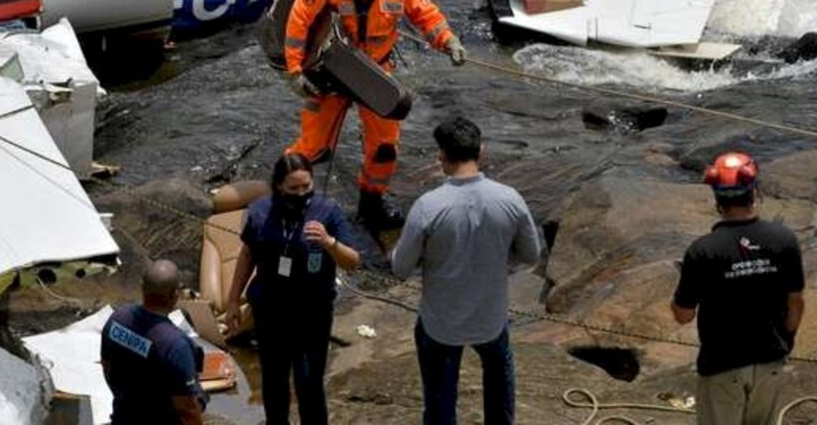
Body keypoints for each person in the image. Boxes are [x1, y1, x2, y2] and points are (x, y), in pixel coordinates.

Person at [283, 0, 467, 235]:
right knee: (311, 147)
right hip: (332, 74)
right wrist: (296, 72)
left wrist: (448, 40)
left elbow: (426, 14)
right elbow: (298, 23)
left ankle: (371, 203)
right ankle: (287, 199)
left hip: (375, 74)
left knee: (385, 147)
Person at [391, 116, 541, 425]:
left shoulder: (428, 206)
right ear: (481, 151)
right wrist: (498, 256)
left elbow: (401, 268)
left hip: (441, 324)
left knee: (440, 403)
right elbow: (531, 255)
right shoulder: (510, 199)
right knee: (499, 386)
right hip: (491, 318)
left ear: (441, 155)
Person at [226, 153, 361, 425]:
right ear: (278, 187)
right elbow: (247, 255)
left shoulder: (328, 212)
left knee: (308, 382)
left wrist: (329, 242)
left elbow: (353, 262)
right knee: (274, 380)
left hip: (312, 313)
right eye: (293, 189)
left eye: (306, 187)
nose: (301, 193)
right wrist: (232, 301)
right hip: (270, 310)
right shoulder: (261, 212)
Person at [671, 152, 805, 425]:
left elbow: (684, 315)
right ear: (753, 192)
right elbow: (796, 302)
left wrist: (676, 302)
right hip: (770, 362)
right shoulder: (784, 239)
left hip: (722, 366)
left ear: (717, 197)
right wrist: (786, 339)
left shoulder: (702, 251)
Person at [100, 259, 205, 425]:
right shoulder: (176, 345)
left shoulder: (118, 319)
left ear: (142, 287)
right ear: (174, 295)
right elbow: (188, 409)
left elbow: (106, 367)